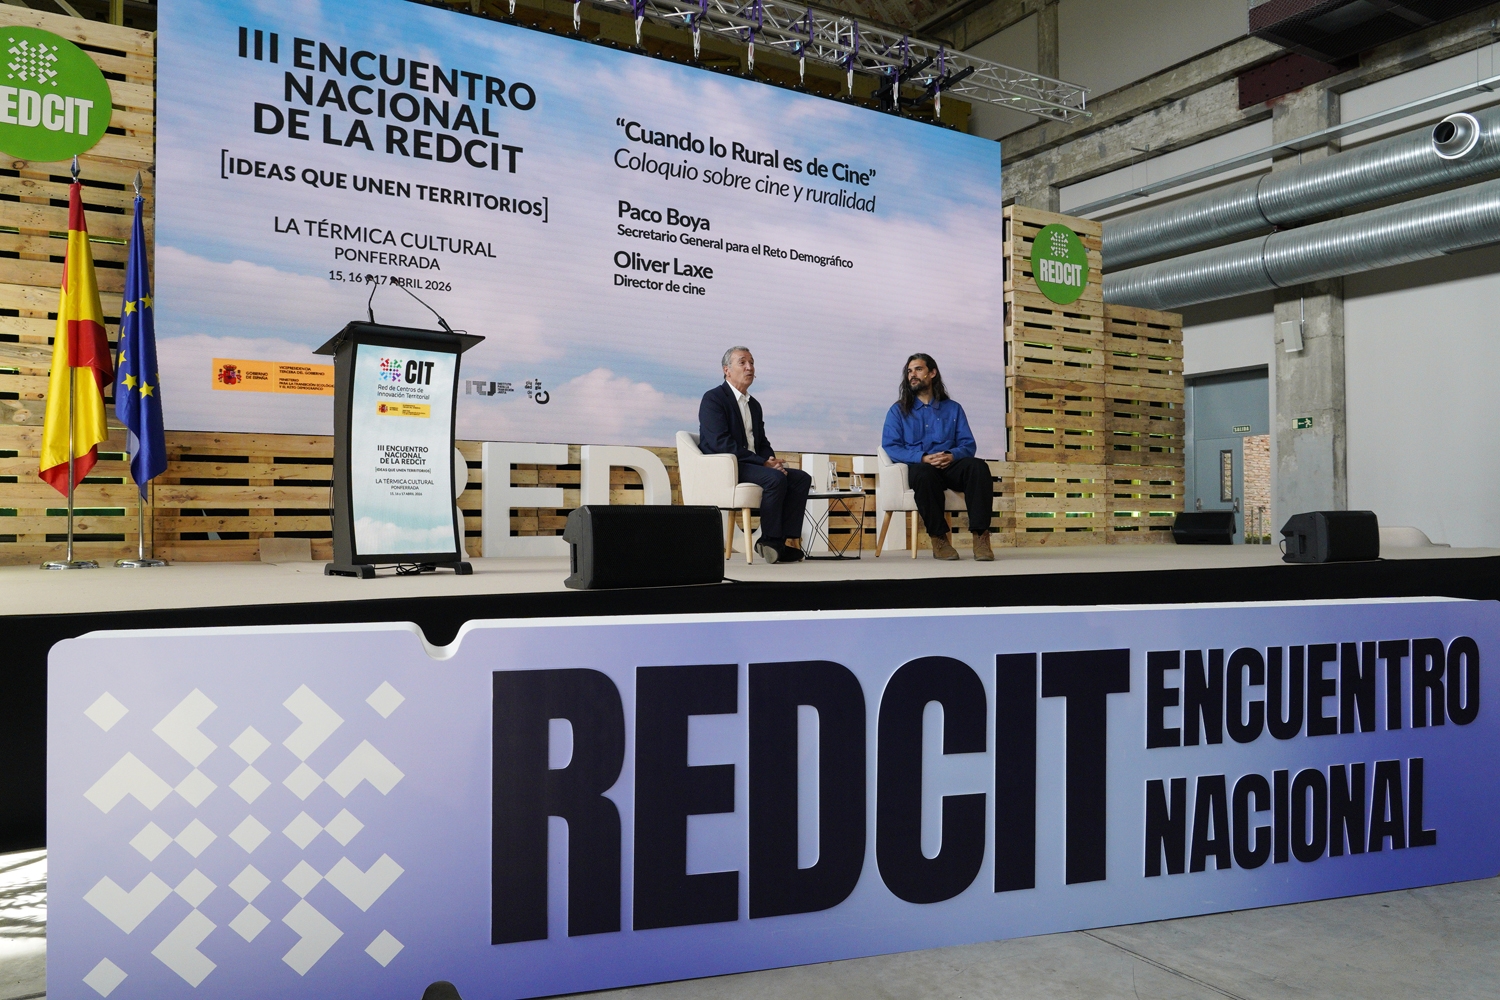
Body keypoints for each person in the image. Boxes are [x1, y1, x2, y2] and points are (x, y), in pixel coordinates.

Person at [699, 347, 811, 563]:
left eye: (751, 362)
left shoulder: (754, 405)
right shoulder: (713, 399)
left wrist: (770, 460)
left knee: (800, 478)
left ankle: (783, 542)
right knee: (775, 479)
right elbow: (719, 442)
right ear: (727, 370)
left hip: (754, 464)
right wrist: (763, 463)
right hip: (730, 466)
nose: (749, 367)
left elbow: (761, 442)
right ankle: (770, 540)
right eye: (742, 362)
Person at [881, 353, 994, 561]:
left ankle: (981, 537)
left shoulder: (953, 408)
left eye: (918, 369)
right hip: (921, 467)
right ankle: (939, 539)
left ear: (932, 373)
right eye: (909, 371)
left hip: (949, 465)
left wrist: (952, 455)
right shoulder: (898, 411)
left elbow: (968, 444)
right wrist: (922, 457)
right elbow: (891, 446)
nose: (912, 375)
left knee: (978, 467)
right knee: (924, 474)